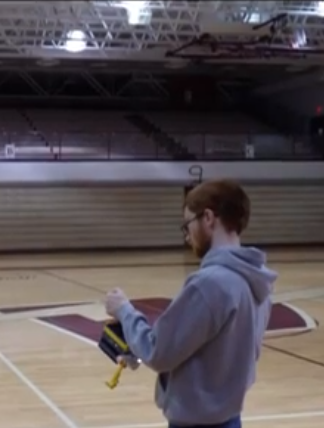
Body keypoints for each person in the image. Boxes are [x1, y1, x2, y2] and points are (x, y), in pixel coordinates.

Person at [104, 179, 277, 428]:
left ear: (207, 218)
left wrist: (124, 311)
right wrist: (136, 345)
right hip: (230, 418)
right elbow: (217, 353)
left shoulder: (209, 284)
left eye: (187, 225)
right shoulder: (258, 279)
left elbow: (158, 352)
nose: (187, 237)